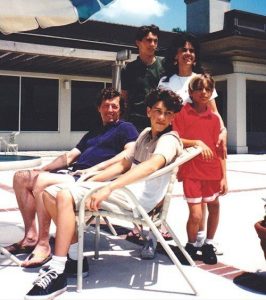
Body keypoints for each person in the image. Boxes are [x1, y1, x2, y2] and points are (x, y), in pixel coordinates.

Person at [24, 88, 183, 299]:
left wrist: (108, 187)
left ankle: (57, 269)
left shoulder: (169, 140)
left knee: (62, 195)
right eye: (158, 111)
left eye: (168, 113)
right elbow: (125, 163)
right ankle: (74, 259)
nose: (162, 117)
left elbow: (151, 166)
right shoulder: (145, 134)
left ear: (173, 116)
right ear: (148, 112)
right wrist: (92, 178)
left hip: (137, 199)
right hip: (126, 190)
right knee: (49, 194)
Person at [4, 87, 138, 268]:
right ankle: (30, 237)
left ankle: (43, 245)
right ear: (99, 108)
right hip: (73, 175)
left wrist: (97, 168)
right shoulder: (93, 133)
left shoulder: (126, 128)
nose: (110, 110)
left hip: (92, 181)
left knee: (42, 182)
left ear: (121, 109)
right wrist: (45, 168)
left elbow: (128, 155)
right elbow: (69, 157)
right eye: (106, 106)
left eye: (114, 106)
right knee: (21, 177)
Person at [158, 32, 227, 251]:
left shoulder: (202, 80)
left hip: (198, 149)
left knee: (203, 198)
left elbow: (214, 115)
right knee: (161, 191)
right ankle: (153, 235)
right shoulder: (166, 82)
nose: (188, 53)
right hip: (171, 141)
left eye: (191, 50)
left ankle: (201, 240)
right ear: (175, 55)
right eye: (183, 50)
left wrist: (223, 131)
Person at [173, 73, 228, 265]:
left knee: (214, 207)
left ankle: (208, 244)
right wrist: (197, 143)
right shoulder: (182, 113)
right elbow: (175, 139)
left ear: (212, 92)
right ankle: (191, 245)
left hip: (213, 173)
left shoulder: (214, 119)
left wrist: (224, 177)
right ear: (191, 92)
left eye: (208, 89)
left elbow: (221, 150)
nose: (203, 93)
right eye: (199, 89)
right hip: (191, 172)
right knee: (195, 214)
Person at [121, 24, 165, 132]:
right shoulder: (128, 69)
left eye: (155, 41)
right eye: (148, 40)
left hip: (160, 122)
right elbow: (124, 99)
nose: (153, 44)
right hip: (135, 124)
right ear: (138, 42)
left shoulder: (165, 66)